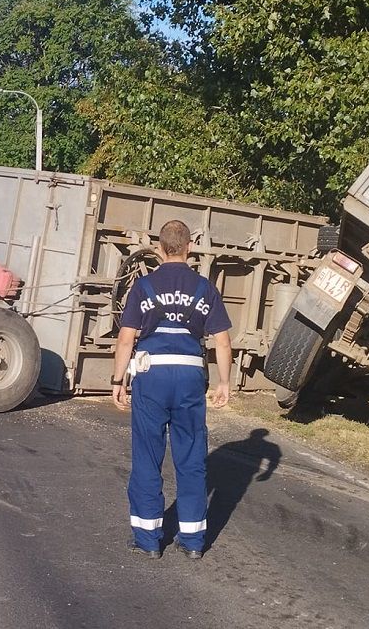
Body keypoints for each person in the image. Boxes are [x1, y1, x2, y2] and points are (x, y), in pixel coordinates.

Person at [111, 219, 232, 560]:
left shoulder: (145, 286)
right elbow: (222, 342)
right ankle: (193, 542)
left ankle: (149, 539)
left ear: (159, 248)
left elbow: (126, 338)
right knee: (192, 458)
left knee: (148, 456)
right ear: (190, 247)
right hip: (191, 376)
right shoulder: (204, 289)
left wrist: (118, 380)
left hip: (152, 375)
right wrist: (224, 383)